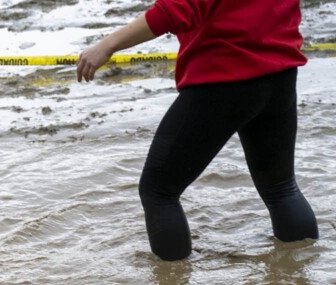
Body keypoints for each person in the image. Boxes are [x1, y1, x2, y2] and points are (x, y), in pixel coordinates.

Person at [76, 0, 319, 261]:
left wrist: (106, 45)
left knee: (158, 191)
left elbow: (174, 10)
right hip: (278, 75)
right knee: (281, 188)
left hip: (224, 75)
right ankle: (300, 278)